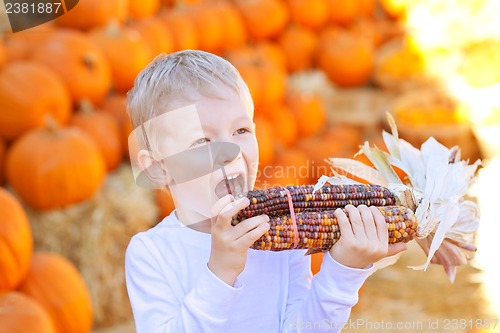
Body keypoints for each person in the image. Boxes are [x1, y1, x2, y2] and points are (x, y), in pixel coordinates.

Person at [125, 50, 407, 333]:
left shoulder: (285, 236)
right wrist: (220, 274)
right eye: (202, 140)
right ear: (159, 169)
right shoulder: (150, 254)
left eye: (241, 131)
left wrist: (344, 270)